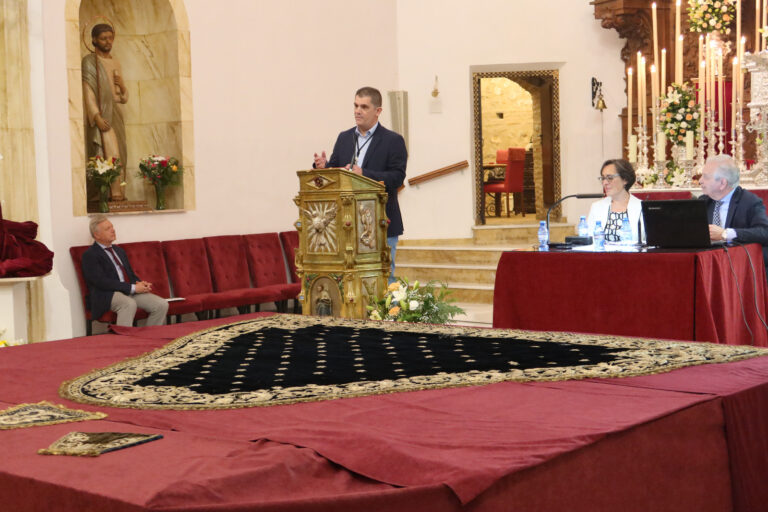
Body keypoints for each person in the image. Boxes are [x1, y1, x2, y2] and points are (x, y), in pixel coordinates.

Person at [313, 87, 407, 283]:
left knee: (382, 278)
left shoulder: (393, 140)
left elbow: (397, 178)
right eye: (356, 106)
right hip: (346, 223)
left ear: (378, 111)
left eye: (364, 107)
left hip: (380, 222)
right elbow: (336, 172)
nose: (358, 111)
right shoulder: (344, 137)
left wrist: (364, 174)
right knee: (349, 278)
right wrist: (323, 167)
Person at [81, 215, 168, 327]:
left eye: (112, 227)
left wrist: (139, 283)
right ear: (96, 235)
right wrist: (132, 288)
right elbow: (101, 282)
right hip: (107, 294)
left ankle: (150, 336)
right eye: (107, 229)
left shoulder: (119, 250)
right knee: (128, 304)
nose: (113, 230)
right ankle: (124, 338)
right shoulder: (90, 255)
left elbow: (129, 274)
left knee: (161, 304)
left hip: (127, 290)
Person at [82, 23, 128, 201]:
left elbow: (124, 97)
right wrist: (96, 116)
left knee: (120, 152)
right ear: (94, 40)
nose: (108, 42)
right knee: (105, 151)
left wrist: (122, 86)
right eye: (103, 38)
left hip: (115, 111)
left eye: (110, 38)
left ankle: (119, 192)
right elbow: (88, 92)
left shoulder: (115, 62)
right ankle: (105, 193)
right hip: (101, 113)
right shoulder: (89, 62)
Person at [699, 155, 768, 270]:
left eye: (705, 177)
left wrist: (725, 234)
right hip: (710, 266)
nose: (700, 181)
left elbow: (764, 232)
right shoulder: (704, 201)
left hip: (741, 268)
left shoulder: (749, 201)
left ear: (722, 183)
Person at [587, 159, 644, 243]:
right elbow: (589, 240)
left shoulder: (641, 207)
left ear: (625, 179)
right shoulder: (596, 207)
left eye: (610, 178)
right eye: (603, 178)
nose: (605, 183)